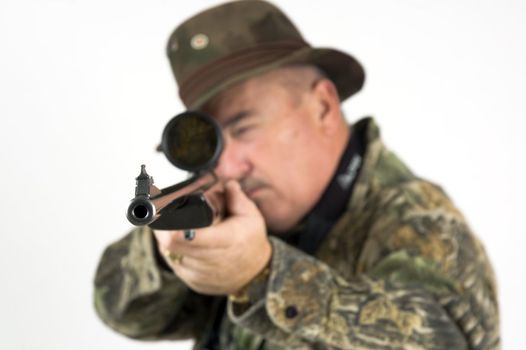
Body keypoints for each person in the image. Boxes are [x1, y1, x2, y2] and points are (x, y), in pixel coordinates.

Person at [93, 1, 500, 349]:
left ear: (323, 106)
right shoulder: (246, 209)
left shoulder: (422, 223)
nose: (228, 167)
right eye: (212, 143)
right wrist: (172, 253)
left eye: (244, 128)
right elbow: (122, 310)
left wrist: (261, 277)